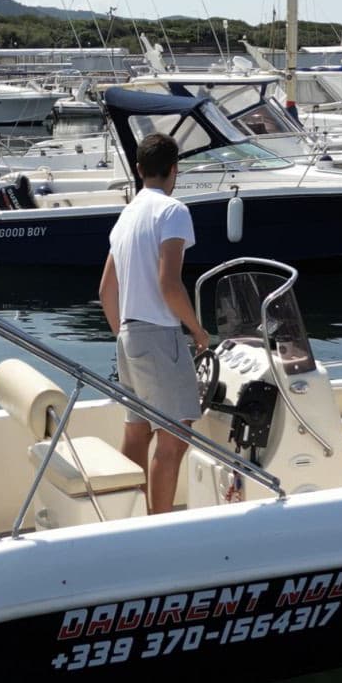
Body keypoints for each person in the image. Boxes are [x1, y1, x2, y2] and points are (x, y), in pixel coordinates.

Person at [98, 132, 209, 515]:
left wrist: (124, 337)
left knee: (137, 430)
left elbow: (105, 292)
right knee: (175, 436)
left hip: (127, 336)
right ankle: (158, 525)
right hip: (158, 335)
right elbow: (169, 283)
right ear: (174, 170)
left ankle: (129, 519)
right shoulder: (173, 211)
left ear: (140, 170)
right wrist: (197, 330)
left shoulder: (125, 217)